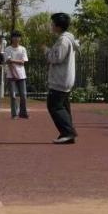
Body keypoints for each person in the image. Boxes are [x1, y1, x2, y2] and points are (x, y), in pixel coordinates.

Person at [44, 12, 79, 144]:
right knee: (63, 107)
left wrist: (46, 51)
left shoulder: (64, 40)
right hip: (65, 79)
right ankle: (69, 132)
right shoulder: (67, 39)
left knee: (54, 106)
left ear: (58, 26)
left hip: (60, 80)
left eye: (53, 23)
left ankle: (67, 132)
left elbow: (56, 58)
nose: (51, 26)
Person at [4, 31, 29, 119]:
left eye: (18, 37)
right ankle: (14, 114)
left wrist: (13, 61)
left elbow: (23, 62)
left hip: (21, 75)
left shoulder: (23, 49)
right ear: (11, 38)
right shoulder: (7, 49)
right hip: (11, 76)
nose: (16, 38)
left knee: (23, 95)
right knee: (13, 96)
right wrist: (14, 73)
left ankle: (23, 113)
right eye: (14, 37)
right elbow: (8, 62)